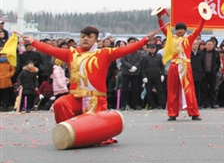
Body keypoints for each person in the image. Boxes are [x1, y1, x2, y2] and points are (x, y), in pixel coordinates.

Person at [23, 26, 153, 124]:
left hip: (95, 99)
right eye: (83, 36)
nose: (85, 39)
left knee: (92, 126)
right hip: (75, 97)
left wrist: (144, 40)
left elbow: (126, 49)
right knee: (60, 104)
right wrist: (33, 41)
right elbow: (51, 49)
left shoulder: (105, 53)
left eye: (89, 36)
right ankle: (68, 131)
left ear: (96, 39)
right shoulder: (71, 53)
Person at [160, 19, 205, 121]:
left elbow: (198, 29)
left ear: (185, 30)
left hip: (185, 66)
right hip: (173, 66)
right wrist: (159, 18)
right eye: (178, 29)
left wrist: (202, 19)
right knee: (172, 90)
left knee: (189, 90)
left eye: (182, 29)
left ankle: (194, 113)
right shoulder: (171, 38)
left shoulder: (189, 39)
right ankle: (172, 113)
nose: (180, 31)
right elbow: (164, 29)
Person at [119, 37, 144, 110]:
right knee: (124, 89)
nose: (133, 43)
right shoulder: (125, 51)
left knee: (136, 89)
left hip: (136, 73)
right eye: (131, 42)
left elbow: (140, 60)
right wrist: (130, 67)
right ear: (128, 43)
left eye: (134, 42)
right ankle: (123, 105)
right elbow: (123, 61)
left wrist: (135, 67)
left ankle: (136, 104)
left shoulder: (139, 52)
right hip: (126, 72)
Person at [141, 43, 166, 110]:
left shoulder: (159, 56)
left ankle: (162, 104)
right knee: (149, 91)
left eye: (153, 48)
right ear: (148, 49)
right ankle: (150, 104)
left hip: (157, 75)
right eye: (151, 48)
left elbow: (162, 66)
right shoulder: (145, 57)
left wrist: (162, 74)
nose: (152, 50)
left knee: (160, 91)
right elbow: (142, 68)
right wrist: (144, 77)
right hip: (148, 76)